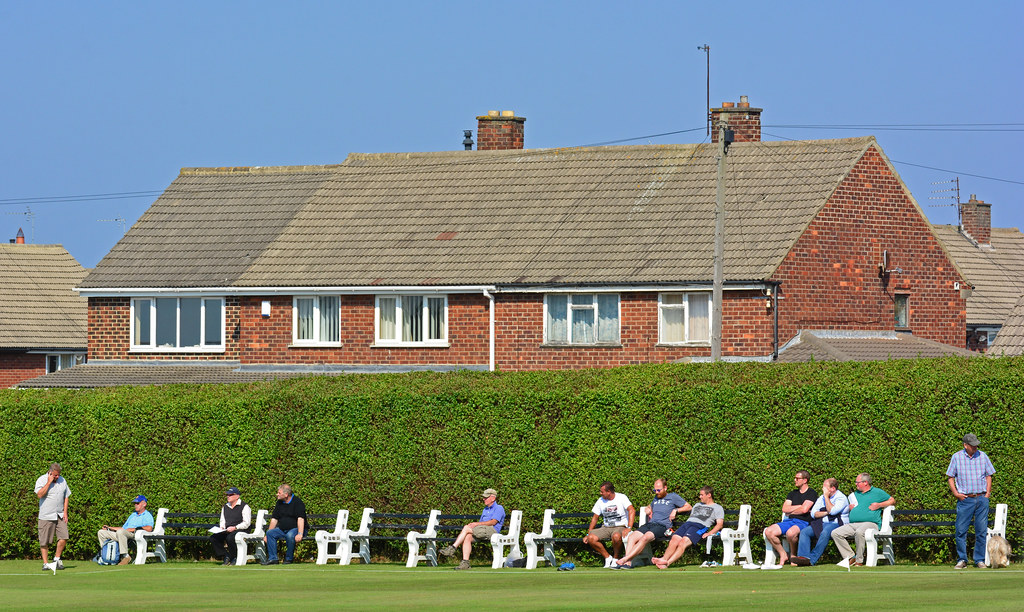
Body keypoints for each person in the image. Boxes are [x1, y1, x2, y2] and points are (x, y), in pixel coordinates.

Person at [612, 479, 690, 569]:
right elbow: (651, 505)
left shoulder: (673, 497)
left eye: (659, 490)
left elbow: (688, 506)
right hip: (650, 524)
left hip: (662, 526)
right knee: (632, 536)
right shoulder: (656, 498)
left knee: (645, 537)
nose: (656, 492)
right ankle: (628, 563)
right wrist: (648, 508)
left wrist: (675, 510)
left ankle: (625, 559)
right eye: (655, 490)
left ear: (665, 488)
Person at [946, 432, 995, 569]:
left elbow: (989, 475)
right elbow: (950, 477)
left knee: (980, 530)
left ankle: (979, 560)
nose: (975, 448)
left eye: (976, 445)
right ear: (965, 445)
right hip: (965, 499)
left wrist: (987, 494)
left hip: (981, 498)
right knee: (961, 530)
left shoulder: (983, 456)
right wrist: (956, 493)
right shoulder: (956, 457)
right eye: (972, 446)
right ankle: (962, 559)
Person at [831, 473, 894, 567]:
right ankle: (850, 557)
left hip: (871, 523)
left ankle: (859, 561)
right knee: (835, 533)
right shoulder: (854, 494)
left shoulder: (877, 492)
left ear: (865, 482)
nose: (856, 484)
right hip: (854, 524)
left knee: (860, 532)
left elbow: (892, 500)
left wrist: (879, 505)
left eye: (858, 482)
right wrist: (850, 508)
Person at [652, 486, 724, 569]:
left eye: (702, 495)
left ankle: (667, 563)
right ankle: (663, 559)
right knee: (674, 539)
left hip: (700, 526)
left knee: (683, 542)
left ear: (709, 495)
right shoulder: (697, 505)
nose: (700, 497)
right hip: (687, 524)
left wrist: (710, 533)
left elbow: (719, 524)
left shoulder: (718, 508)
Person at [439, 488, 506, 570]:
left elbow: (493, 522)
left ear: (493, 498)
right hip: (483, 530)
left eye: (486, 497)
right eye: (484, 497)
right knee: (467, 536)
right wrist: (476, 525)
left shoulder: (499, 508)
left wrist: (476, 524)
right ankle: (465, 563)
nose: (483, 499)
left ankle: (452, 548)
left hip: (492, 531)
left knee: (466, 528)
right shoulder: (485, 509)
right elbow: (482, 524)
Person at [762, 470, 816, 566]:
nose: (795, 480)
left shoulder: (811, 493)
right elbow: (785, 508)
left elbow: (804, 510)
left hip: (803, 522)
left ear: (805, 480)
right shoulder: (792, 493)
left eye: (797, 478)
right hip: (789, 521)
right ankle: (783, 554)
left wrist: (794, 509)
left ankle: (793, 556)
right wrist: (799, 506)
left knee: (790, 533)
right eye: (795, 478)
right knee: (769, 532)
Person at [790, 478, 849, 566]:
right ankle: (803, 557)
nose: (822, 489)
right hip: (822, 523)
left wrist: (826, 497)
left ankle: (811, 559)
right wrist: (826, 512)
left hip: (836, 524)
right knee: (805, 532)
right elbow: (813, 513)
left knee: (825, 532)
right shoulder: (821, 498)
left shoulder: (841, 498)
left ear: (832, 488)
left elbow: (833, 511)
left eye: (825, 487)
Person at [583, 482, 635, 568]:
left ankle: (615, 558)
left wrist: (629, 527)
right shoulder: (600, 500)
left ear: (609, 492)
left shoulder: (622, 497)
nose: (600, 493)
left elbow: (632, 510)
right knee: (591, 538)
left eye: (602, 491)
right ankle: (608, 557)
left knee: (616, 536)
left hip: (620, 526)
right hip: (606, 527)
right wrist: (588, 534)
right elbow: (595, 518)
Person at [97, 494, 155, 565]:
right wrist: (109, 528)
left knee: (121, 532)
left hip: (135, 534)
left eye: (138, 503)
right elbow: (123, 528)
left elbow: (149, 528)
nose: (135, 505)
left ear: (144, 504)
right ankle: (106, 555)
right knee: (101, 532)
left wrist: (134, 529)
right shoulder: (133, 515)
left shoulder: (147, 515)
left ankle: (125, 556)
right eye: (135, 503)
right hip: (123, 534)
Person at [35, 462, 70, 572]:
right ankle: (46, 563)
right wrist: (49, 482)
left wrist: (65, 512)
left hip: (59, 514)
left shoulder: (62, 480)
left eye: (58, 474)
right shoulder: (41, 480)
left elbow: (66, 496)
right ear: (50, 472)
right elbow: (39, 494)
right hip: (46, 515)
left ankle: (57, 559)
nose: (57, 477)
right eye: (55, 475)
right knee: (44, 541)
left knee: (64, 537)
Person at [261, 484, 307, 565]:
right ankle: (273, 559)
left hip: (296, 529)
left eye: (279, 493)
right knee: (270, 533)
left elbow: (300, 519)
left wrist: (300, 534)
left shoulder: (298, 502)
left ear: (286, 495)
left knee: (289, 535)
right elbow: (274, 519)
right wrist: (267, 535)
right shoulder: (279, 503)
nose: (277, 494)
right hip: (282, 529)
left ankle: (289, 559)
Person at [210, 486, 252, 565]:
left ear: (237, 496)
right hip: (228, 530)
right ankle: (226, 555)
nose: (228, 496)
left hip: (241, 529)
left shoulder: (245, 506)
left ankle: (234, 557)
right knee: (214, 538)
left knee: (230, 538)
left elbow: (246, 523)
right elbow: (223, 520)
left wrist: (235, 527)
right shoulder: (225, 507)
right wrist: (222, 527)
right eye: (227, 495)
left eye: (231, 495)